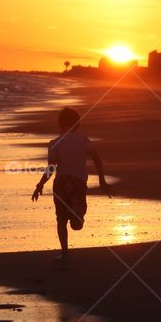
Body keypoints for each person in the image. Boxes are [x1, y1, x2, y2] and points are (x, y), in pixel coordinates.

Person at [31, 107, 112, 262]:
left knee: (61, 220)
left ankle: (65, 253)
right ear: (77, 123)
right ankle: (77, 214)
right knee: (76, 224)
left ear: (60, 124)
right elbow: (95, 157)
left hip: (61, 183)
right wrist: (101, 180)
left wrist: (39, 185)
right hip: (78, 183)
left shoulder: (54, 143)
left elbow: (52, 167)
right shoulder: (83, 140)